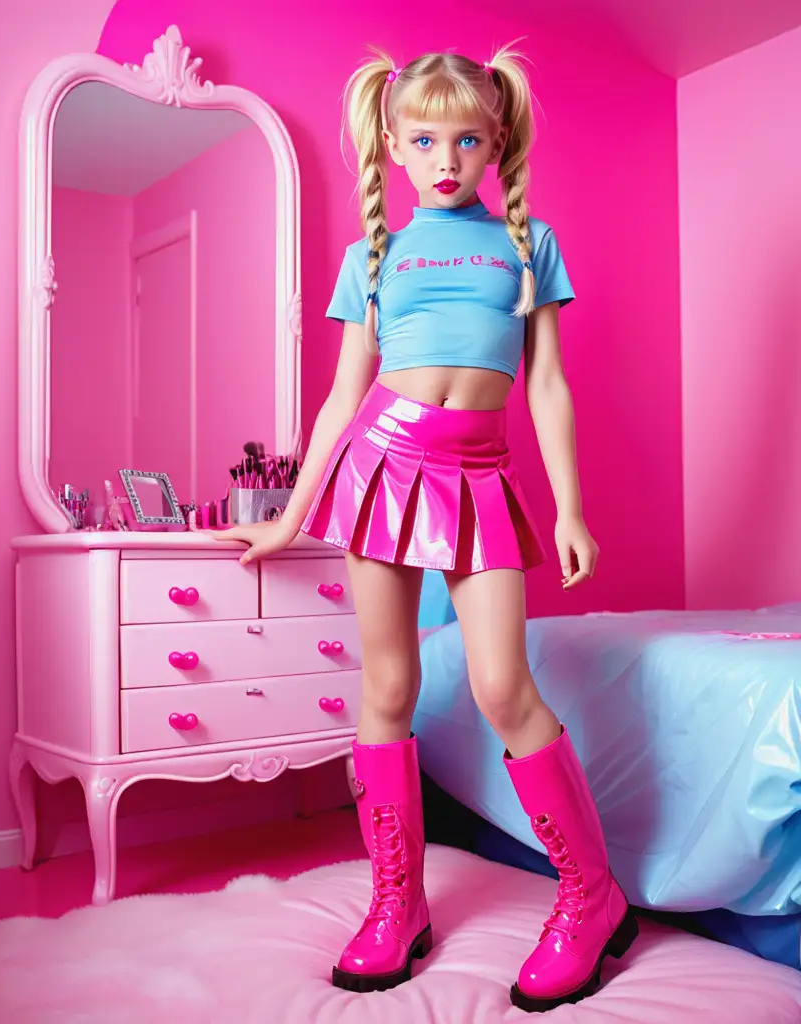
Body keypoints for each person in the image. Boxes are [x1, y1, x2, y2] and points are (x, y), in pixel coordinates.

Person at [211, 43, 637, 1013]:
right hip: (378, 467)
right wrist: (286, 517)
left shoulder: (528, 243)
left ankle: (590, 895)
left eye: (465, 138)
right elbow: (339, 399)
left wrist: (570, 506)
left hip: (480, 474)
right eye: (423, 139)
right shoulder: (374, 255)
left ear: (494, 143)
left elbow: (549, 385)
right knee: (389, 683)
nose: (444, 157)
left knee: (500, 684)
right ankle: (396, 902)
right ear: (394, 146)